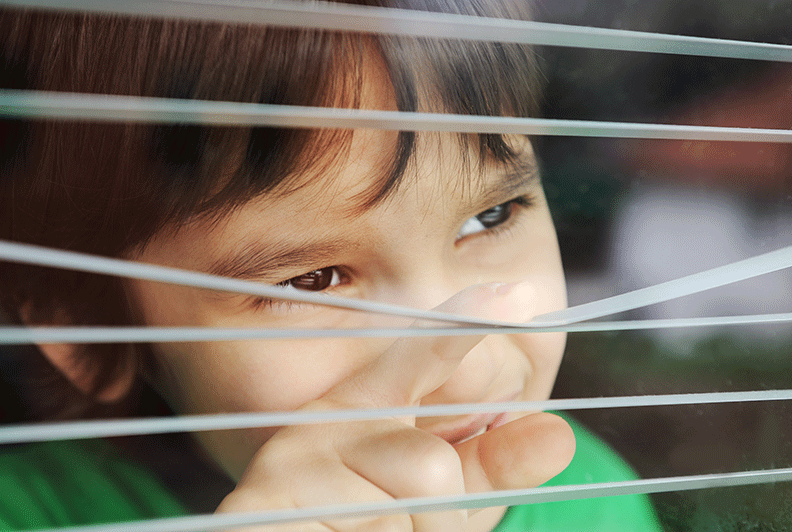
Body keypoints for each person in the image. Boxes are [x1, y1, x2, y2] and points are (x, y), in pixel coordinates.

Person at [0, 2, 662, 530]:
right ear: (85, 331)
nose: (471, 371)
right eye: (312, 280)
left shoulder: (591, 500)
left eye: (490, 217)